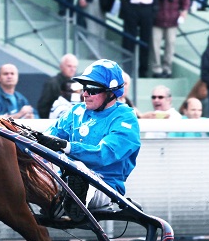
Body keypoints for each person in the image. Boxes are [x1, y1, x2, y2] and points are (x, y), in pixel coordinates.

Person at [41, 59, 141, 221]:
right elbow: (49, 137)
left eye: (92, 89)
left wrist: (67, 147)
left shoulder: (125, 118)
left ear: (111, 93)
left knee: (77, 169)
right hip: (63, 177)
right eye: (84, 88)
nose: (85, 94)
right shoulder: (76, 111)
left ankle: (75, 199)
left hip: (104, 186)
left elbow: (105, 154)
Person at [118, 0, 158, 78]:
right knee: (128, 40)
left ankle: (143, 71)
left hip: (147, 9)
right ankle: (127, 71)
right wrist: (127, 7)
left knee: (145, 42)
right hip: (132, 8)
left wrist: (153, 10)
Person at [150, 0, 189, 78]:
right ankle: (156, 69)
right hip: (156, 15)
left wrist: (184, 9)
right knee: (154, 45)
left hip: (172, 15)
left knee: (170, 44)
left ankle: (167, 68)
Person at [37, 53, 79, 118]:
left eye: (75, 67)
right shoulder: (52, 83)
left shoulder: (77, 83)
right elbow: (43, 106)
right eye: (69, 66)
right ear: (61, 66)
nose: (72, 69)